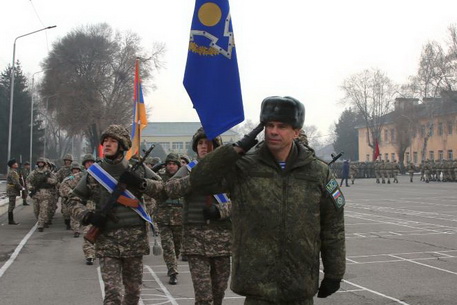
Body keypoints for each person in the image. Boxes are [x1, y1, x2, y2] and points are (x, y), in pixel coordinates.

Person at [190, 96, 346, 305]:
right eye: (269, 125)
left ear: (296, 132)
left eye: (281, 126)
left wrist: (334, 272)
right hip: (257, 286)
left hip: (299, 285)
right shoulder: (244, 166)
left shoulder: (318, 172)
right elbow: (199, 180)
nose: (273, 131)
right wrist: (235, 149)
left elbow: (333, 224)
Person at [68, 125, 163, 305]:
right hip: (106, 240)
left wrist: (141, 183)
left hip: (134, 240)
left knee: (133, 292)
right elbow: (72, 200)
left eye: (112, 141)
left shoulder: (138, 169)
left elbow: (163, 190)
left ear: (122, 145)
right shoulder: (94, 173)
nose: (107, 144)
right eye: (105, 141)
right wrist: (87, 216)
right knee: (112, 293)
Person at [165, 127, 232, 305]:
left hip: (223, 242)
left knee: (218, 293)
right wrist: (195, 178)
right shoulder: (189, 170)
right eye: (200, 143)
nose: (204, 146)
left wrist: (221, 210)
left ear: (217, 146)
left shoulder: (228, 171)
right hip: (195, 241)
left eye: (209, 143)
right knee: (203, 297)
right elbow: (170, 189)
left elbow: (242, 201)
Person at [155, 153, 184, 285]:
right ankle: (173, 271)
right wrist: (157, 166)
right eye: (169, 164)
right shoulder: (160, 178)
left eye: (174, 164)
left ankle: (173, 264)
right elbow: (146, 178)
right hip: (163, 216)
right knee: (168, 246)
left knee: (177, 246)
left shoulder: (183, 178)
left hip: (180, 216)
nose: (171, 166)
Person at [27, 158, 58, 232]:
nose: (40, 163)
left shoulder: (48, 172)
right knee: (36, 211)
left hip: (45, 194)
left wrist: (47, 180)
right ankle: (40, 221)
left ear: (44, 163)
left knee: (43, 210)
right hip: (36, 193)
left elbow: (55, 181)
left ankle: (41, 225)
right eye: (39, 162)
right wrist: (30, 187)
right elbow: (28, 181)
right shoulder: (34, 172)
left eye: (42, 162)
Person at [59, 162, 83, 237]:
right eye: (74, 169)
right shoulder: (69, 178)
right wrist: (70, 193)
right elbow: (63, 187)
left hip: (82, 198)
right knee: (72, 214)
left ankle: (78, 229)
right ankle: (75, 229)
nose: (75, 171)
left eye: (77, 169)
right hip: (72, 198)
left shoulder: (83, 177)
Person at [6, 159, 23, 225]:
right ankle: (11, 220)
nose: (17, 164)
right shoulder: (13, 172)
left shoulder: (13, 171)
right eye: (15, 164)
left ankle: (11, 220)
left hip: (12, 189)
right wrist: (21, 188)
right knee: (12, 205)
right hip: (12, 190)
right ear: (12, 165)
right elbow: (15, 182)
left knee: (12, 204)